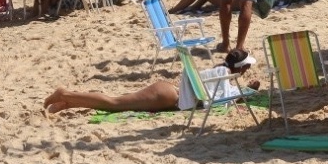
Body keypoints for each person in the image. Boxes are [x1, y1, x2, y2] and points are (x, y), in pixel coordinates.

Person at [42, 49, 258, 114]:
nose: (248, 70)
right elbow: (222, 99)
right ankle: (65, 93)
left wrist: (245, 90)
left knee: (116, 102)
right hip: (167, 97)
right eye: (247, 67)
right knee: (114, 104)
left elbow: (223, 94)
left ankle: (68, 102)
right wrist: (247, 92)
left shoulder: (220, 71)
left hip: (167, 91)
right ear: (241, 67)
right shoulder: (223, 75)